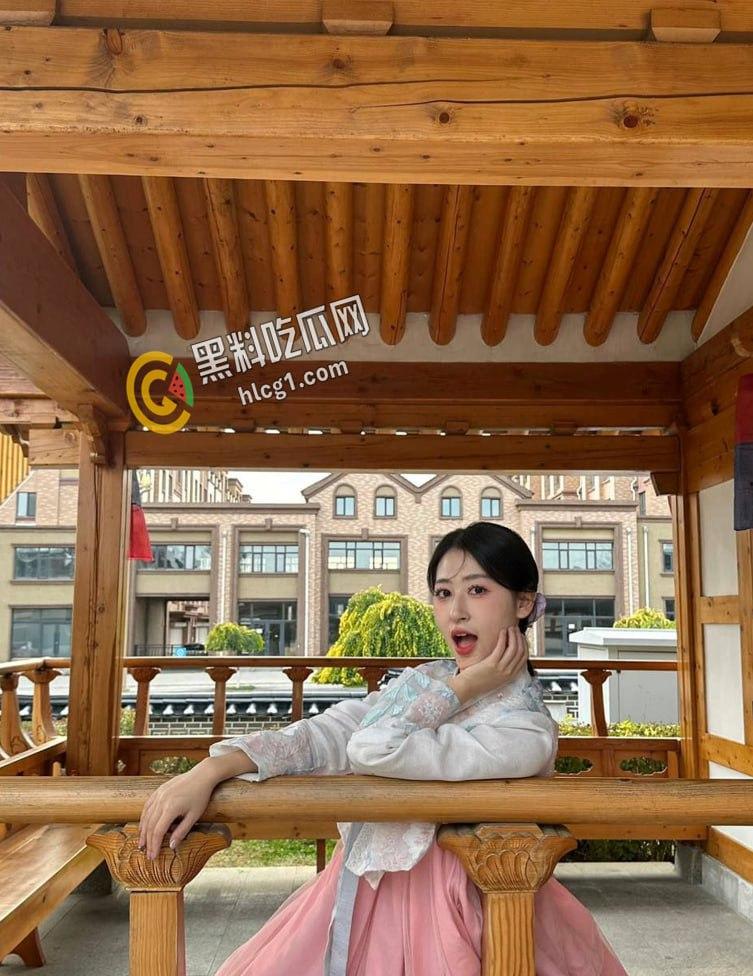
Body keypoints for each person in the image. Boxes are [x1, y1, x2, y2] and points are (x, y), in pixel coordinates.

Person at [138, 521, 627, 976]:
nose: (456, 611)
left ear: (523, 603)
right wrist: (210, 771)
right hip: (364, 888)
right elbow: (330, 733)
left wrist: (466, 687)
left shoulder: (524, 730)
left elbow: (372, 747)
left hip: (464, 908)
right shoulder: (429, 680)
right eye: (443, 593)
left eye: (477, 590)